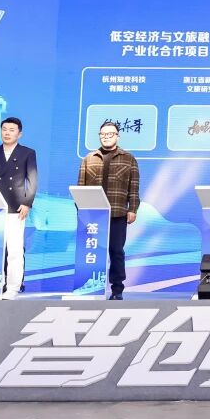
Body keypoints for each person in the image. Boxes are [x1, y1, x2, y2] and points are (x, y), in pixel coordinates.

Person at [77, 121, 140, 300]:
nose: (106, 137)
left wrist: (133, 209)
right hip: (92, 215)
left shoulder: (128, 158)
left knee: (116, 251)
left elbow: (134, 187)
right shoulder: (89, 158)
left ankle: (117, 289)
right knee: (90, 251)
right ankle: (88, 287)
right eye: (103, 134)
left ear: (117, 136)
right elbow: (80, 186)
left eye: (110, 134)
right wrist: (81, 209)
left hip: (117, 213)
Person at [0, 116, 37, 299]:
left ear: (20, 134)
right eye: (4, 129)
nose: (7, 133)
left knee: (15, 250)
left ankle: (13, 287)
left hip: (16, 207)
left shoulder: (27, 153)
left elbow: (32, 180)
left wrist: (27, 203)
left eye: (11, 130)